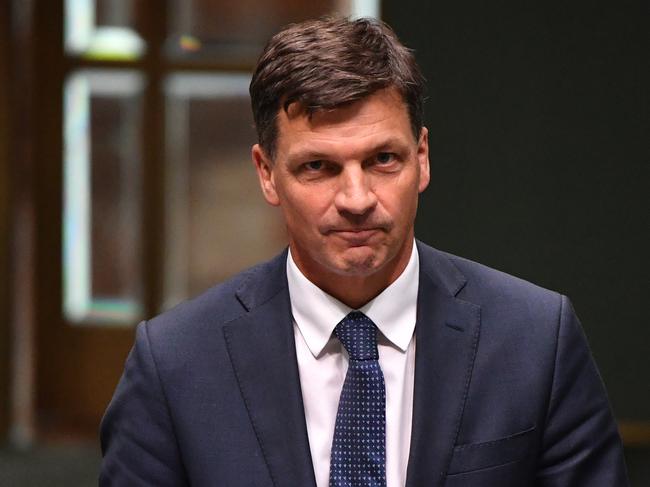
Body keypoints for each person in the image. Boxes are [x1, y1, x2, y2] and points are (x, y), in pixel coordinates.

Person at [99, 17, 628, 487]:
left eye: (382, 159)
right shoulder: (176, 364)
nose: (357, 200)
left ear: (421, 158)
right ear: (266, 173)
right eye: (317, 167)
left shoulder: (535, 339)